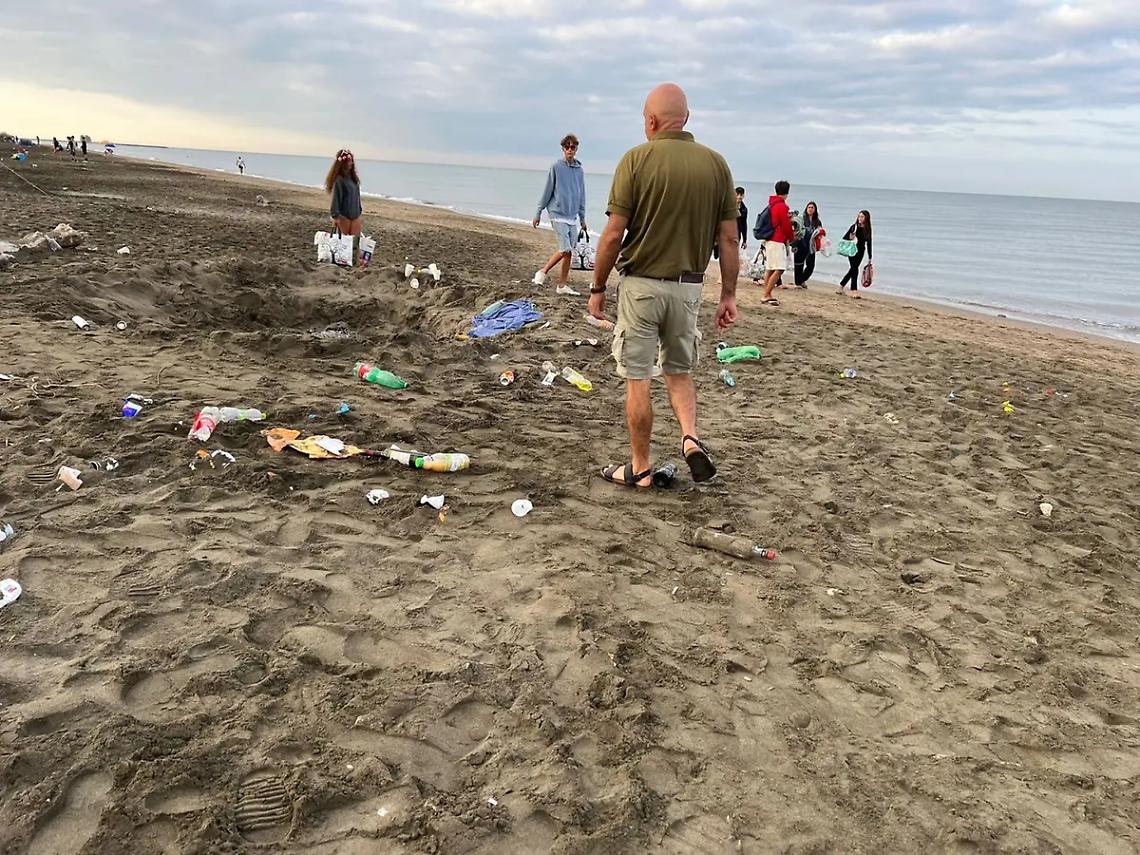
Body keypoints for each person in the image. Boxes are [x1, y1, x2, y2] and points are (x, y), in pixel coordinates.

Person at [588, 83, 739, 488]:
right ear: (685, 118)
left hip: (641, 286)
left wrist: (597, 287)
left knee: (638, 376)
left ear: (651, 121)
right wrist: (728, 294)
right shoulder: (716, 165)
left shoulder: (636, 160)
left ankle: (639, 467)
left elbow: (613, 234)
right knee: (679, 370)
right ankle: (690, 438)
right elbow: (728, 239)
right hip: (689, 288)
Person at [532, 134, 588, 296]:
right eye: (567, 147)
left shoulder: (579, 170)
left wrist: (582, 218)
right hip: (557, 214)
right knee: (565, 249)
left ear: (576, 149)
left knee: (569, 252)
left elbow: (581, 195)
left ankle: (562, 285)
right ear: (563, 149)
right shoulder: (556, 167)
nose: (570, 150)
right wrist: (538, 212)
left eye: (573, 147)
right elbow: (547, 190)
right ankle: (542, 272)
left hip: (572, 216)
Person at [325, 148, 363, 259]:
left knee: (355, 242)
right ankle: (342, 262)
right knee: (344, 243)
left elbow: (357, 195)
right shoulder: (339, 180)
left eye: (351, 161)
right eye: (349, 161)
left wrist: (359, 209)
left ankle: (354, 262)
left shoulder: (353, 179)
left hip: (355, 214)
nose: (351, 163)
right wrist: (335, 216)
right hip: (344, 216)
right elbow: (336, 198)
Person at [759, 180, 793, 306]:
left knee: (770, 268)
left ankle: (767, 293)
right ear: (787, 192)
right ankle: (766, 294)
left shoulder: (771, 204)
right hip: (777, 240)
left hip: (769, 239)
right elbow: (785, 225)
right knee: (779, 268)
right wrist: (791, 237)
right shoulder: (782, 206)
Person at [838, 209, 873, 298]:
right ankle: (854, 290)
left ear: (866, 218)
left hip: (861, 251)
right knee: (855, 269)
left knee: (852, 269)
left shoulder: (867, 229)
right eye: (859, 216)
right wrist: (850, 237)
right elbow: (845, 238)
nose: (859, 218)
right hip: (852, 250)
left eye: (862, 217)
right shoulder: (854, 227)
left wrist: (870, 257)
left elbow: (869, 243)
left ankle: (841, 287)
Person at [793, 201, 822, 288]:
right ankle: (798, 283)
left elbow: (820, 234)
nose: (810, 209)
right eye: (809, 207)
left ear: (815, 210)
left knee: (811, 265)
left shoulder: (817, 222)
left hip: (811, 246)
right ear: (806, 209)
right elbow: (795, 230)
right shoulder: (801, 219)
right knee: (799, 264)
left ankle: (802, 279)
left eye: (812, 207)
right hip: (800, 244)